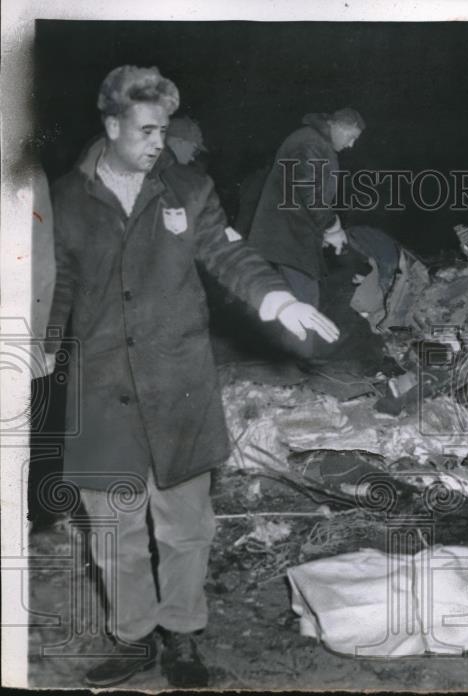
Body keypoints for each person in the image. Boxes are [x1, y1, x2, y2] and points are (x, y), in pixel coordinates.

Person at [45, 65, 339, 688]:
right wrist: (42, 351)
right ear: (111, 125)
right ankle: (132, 639)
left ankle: (180, 635)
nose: (158, 142)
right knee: (113, 529)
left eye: (164, 130)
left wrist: (275, 299)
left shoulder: (188, 188)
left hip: (177, 382)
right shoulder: (64, 199)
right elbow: (58, 283)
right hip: (100, 388)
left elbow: (228, 253)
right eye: (146, 130)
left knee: (184, 525)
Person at [247, 108, 365, 360]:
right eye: (351, 137)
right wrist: (332, 227)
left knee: (300, 297)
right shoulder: (310, 144)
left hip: (293, 233)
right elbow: (311, 196)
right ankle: (296, 368)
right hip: (289, 236)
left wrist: (323, 230)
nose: (352, 144)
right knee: (305, 300)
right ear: (339, 127)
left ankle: (292, 361)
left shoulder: (313, 141)